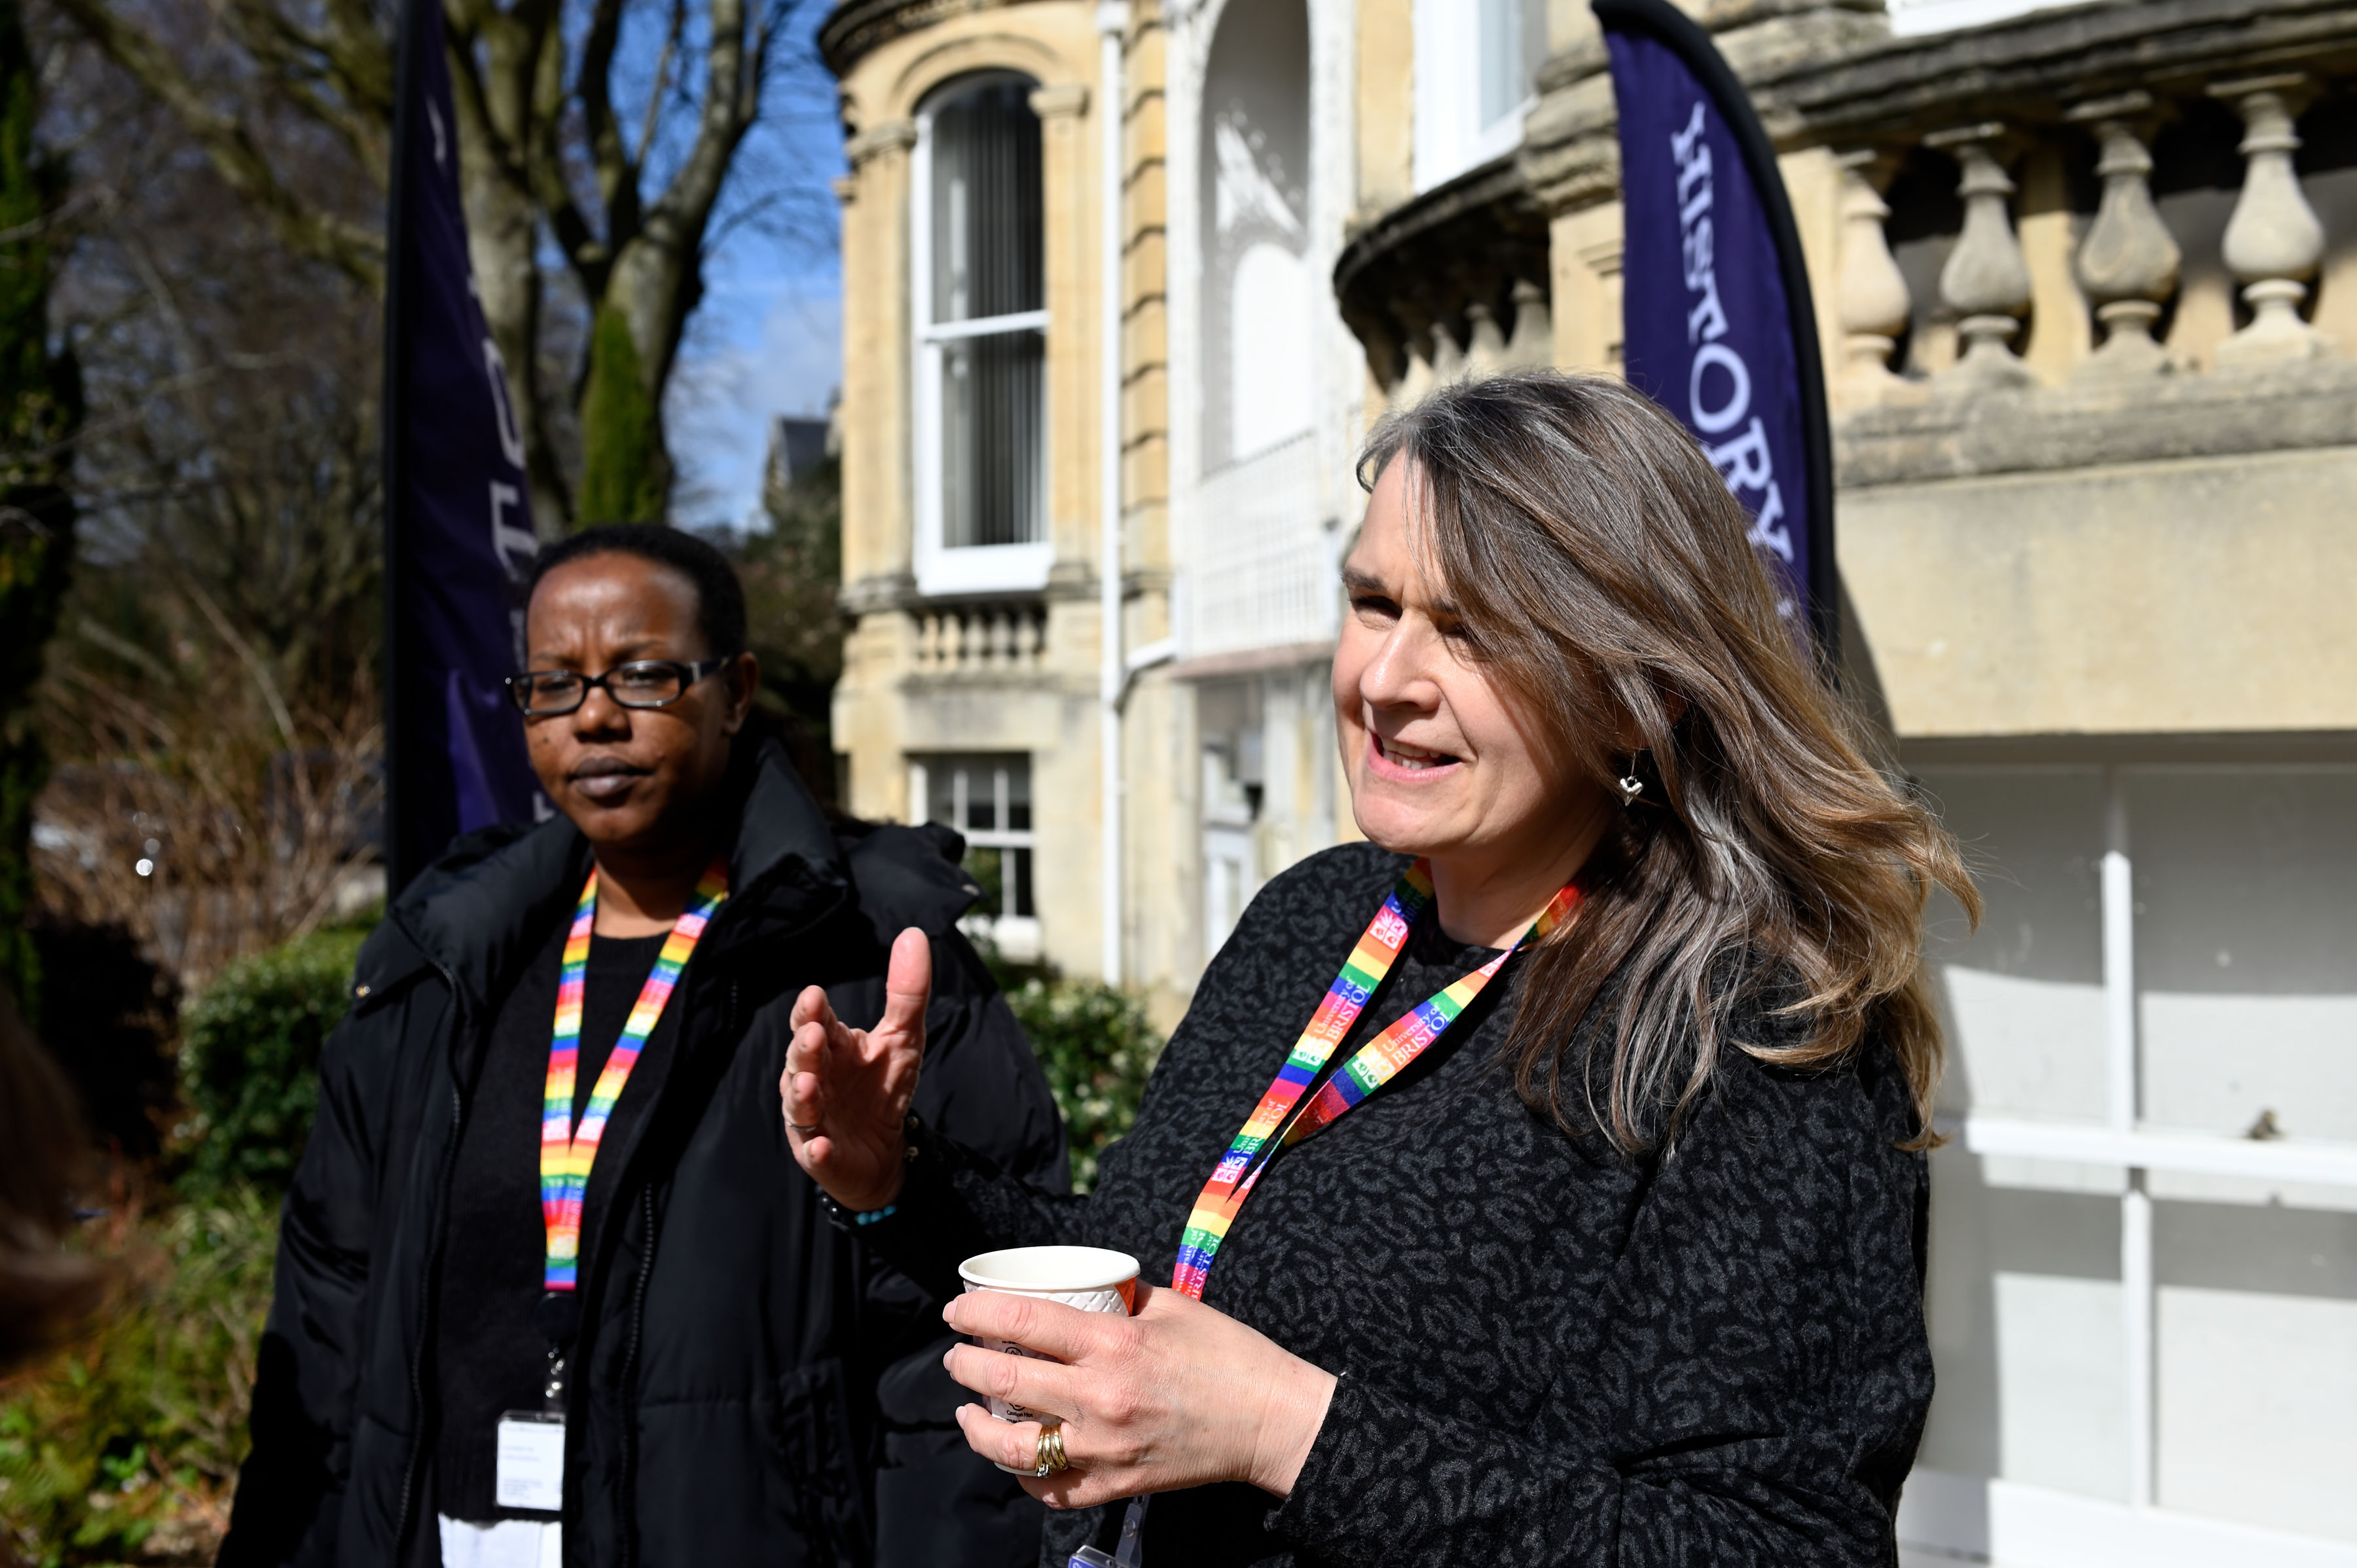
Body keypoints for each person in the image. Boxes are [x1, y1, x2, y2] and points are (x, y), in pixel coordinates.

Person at [783, 372, 1979, 1568]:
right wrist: (899, 1180)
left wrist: (1281, 1431)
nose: (1387, 681)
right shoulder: (1315, 915)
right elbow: (1146, 1272)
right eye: (1374, 602)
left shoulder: (1757, 1030)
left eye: (1474, 629)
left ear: (1638, 695)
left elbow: (1779, 1545)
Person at [221, 526, 1070, 1568]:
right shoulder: (435, 971)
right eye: (553, 683)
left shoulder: (875, 968)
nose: (593, 717)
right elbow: (326, 1322)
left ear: (737, 689)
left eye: (643, 674)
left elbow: (966, 1352)